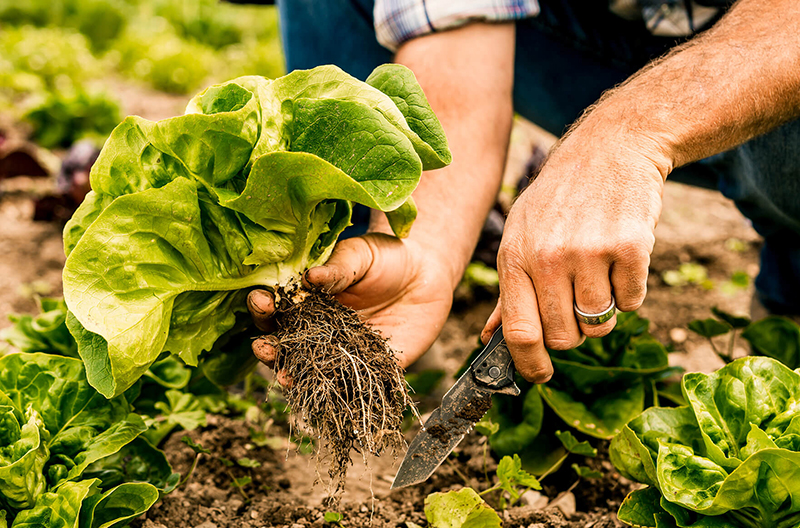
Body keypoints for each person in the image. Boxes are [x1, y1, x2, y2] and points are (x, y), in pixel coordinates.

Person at [248, 0, 800, 384]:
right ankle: (366, 324)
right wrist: (429, 249)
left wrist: (628, 134)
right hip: (606, 40)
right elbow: (456, 30)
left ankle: (791, 286)